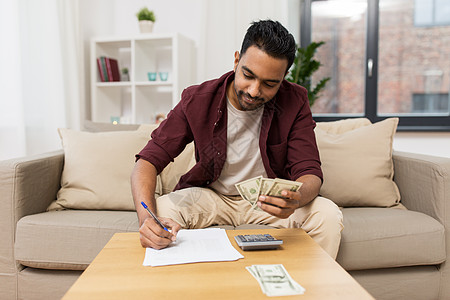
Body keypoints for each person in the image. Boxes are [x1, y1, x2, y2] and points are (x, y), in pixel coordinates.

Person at [131, 20, 343, 259]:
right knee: (164, 210)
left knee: (326, 214)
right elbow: (147, 161)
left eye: (269, 83)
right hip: (211, 196)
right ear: (236, 61)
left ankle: (312, 292)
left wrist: (295, 199)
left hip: (267, 202)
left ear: (283, 78)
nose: (254, 91)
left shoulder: (295, 100)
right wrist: (147, 218)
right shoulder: (198, 98)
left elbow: (310, 172)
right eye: (248, 75)